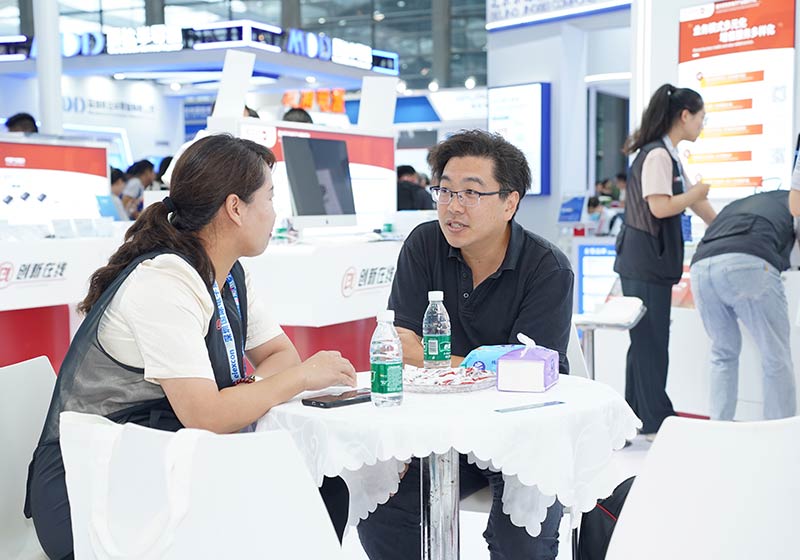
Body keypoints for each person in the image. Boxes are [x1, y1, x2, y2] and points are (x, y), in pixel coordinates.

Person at [24, 134, 357, 560]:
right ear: (235, 207)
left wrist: (242, 395)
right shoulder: (164, 280)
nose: (275, 213)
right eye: (270, 197)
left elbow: (280, 356)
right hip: (94, 487)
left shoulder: (230, 274)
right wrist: (300, 379)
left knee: (322, 489)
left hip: (165, 459)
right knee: (298, 501)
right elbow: (207, 415)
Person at [358, 130, 574, 560]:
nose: (453, 206)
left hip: (522, 435)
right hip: (439, 429)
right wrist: (486, 366)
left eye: (471, 193)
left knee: (520, 542)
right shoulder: (424, 244)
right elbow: (400, 346)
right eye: (445, 190)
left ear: (510, 203)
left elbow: (534, 376)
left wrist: (447, 363)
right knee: (380, 511)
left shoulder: (546, 268)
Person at [614, 83, 716, 438]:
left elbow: (695, 203)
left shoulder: (667, 155)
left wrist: (724, 226)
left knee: (646, 341)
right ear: (685, 116)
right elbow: (660, 206)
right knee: (651, 341)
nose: (702, 124)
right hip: (646, 262)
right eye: (701, 117)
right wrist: (696, 193)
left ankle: (635, 416)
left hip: (648, 262)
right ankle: (655, 418)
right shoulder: (657, 155)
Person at [690, 190, 797, 421]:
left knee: (722, 354)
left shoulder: (741, 204)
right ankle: (778, 432)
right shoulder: (794, 201)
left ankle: (719, 426)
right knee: (775, 356)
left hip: (700, 267)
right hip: (748, 263)